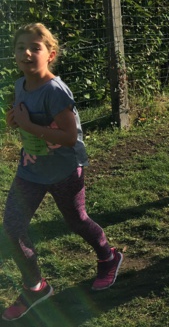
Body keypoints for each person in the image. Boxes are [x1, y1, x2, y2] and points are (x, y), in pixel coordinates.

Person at [2, 23, 123, 322]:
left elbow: (69, 137)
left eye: (35, 47)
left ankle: (108, 258)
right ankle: (36, 287)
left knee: (76, 220)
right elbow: (25, 117)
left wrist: (29, 126)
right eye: (20, 47)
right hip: (30, 169)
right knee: (12, 228)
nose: (26, 53)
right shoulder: (20, 85)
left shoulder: (55, 91)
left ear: (51, 54)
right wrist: (15, 120)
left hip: (64, 171)